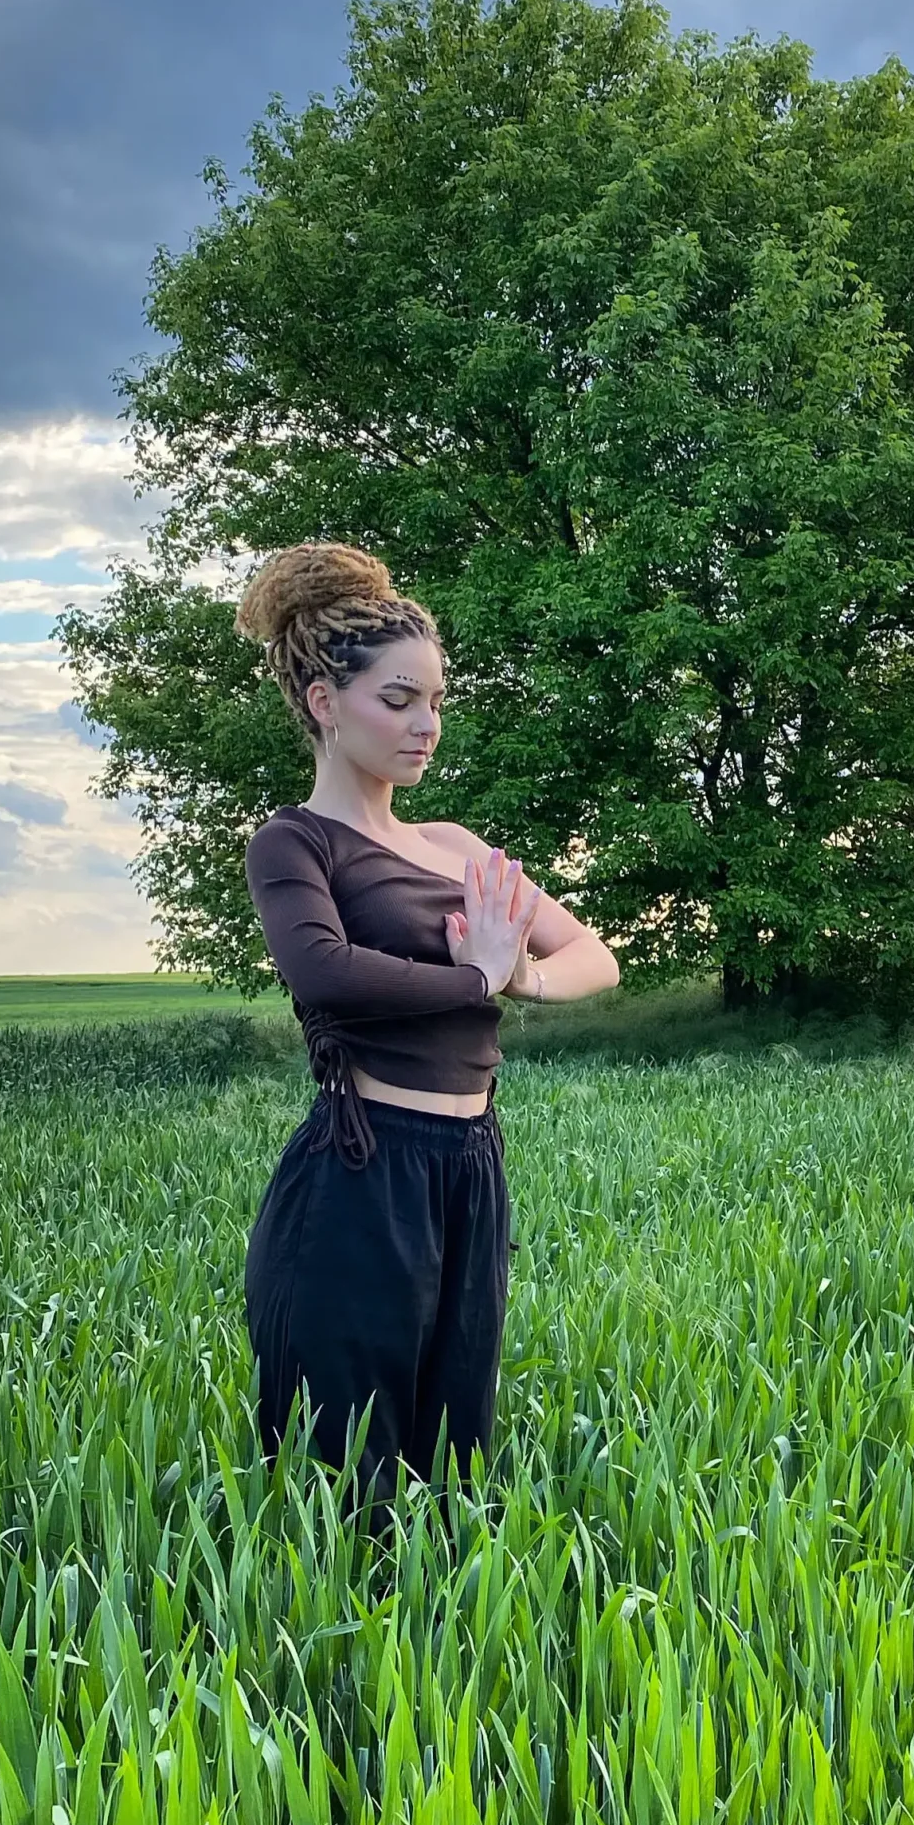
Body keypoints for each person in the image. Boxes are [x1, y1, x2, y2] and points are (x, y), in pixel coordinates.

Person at [232, 540, 619, 1508]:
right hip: (362, 1173)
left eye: (436, 701)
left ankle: (437, 1654)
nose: (426, 725)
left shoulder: (453, 847)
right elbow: (324, 973)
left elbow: (596, 958)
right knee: (346, 1474)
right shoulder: (295, 842)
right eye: (397, 700)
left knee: (453, 1461)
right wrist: (473, 977)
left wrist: (516, 977)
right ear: (325, 702)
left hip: (469, 1168)